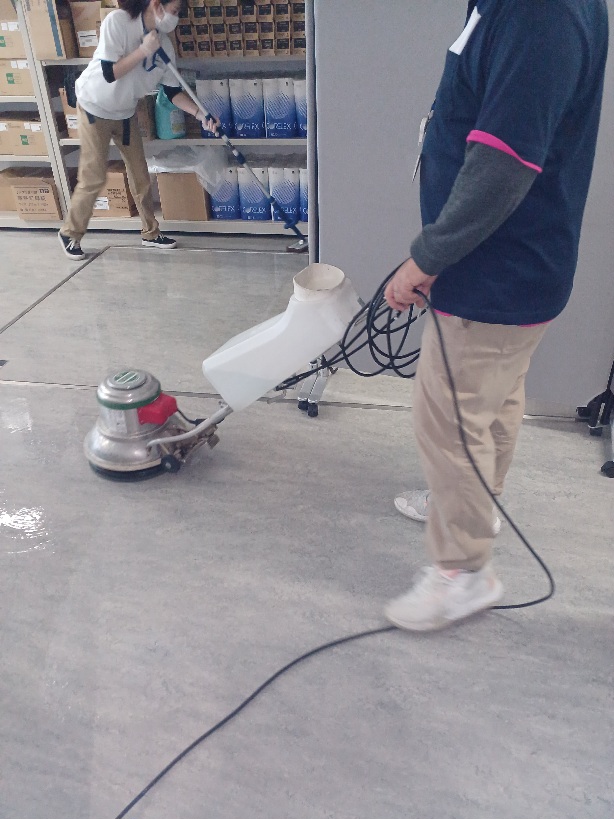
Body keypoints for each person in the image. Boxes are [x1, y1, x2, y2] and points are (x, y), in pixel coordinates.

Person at [383, 0, 609, 631]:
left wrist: (428, 256)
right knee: (493, 401)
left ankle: (462, 572)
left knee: (450, 421)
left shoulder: (541, 14)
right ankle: (473, 506)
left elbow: (504, 163)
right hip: (513, 265)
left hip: (494, 270)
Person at [58, 0, 217, 260]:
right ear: (157, 5)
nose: (175, 18)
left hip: (125, 112)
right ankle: (70, 233)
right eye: (174, 11)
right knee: (94, 175)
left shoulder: (165, 45)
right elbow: (110, 72)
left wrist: (201, 115)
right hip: (94, 107)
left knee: (140, 176)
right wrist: (143, 50)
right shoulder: (118, 21)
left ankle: (150, 233)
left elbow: (173, 92)